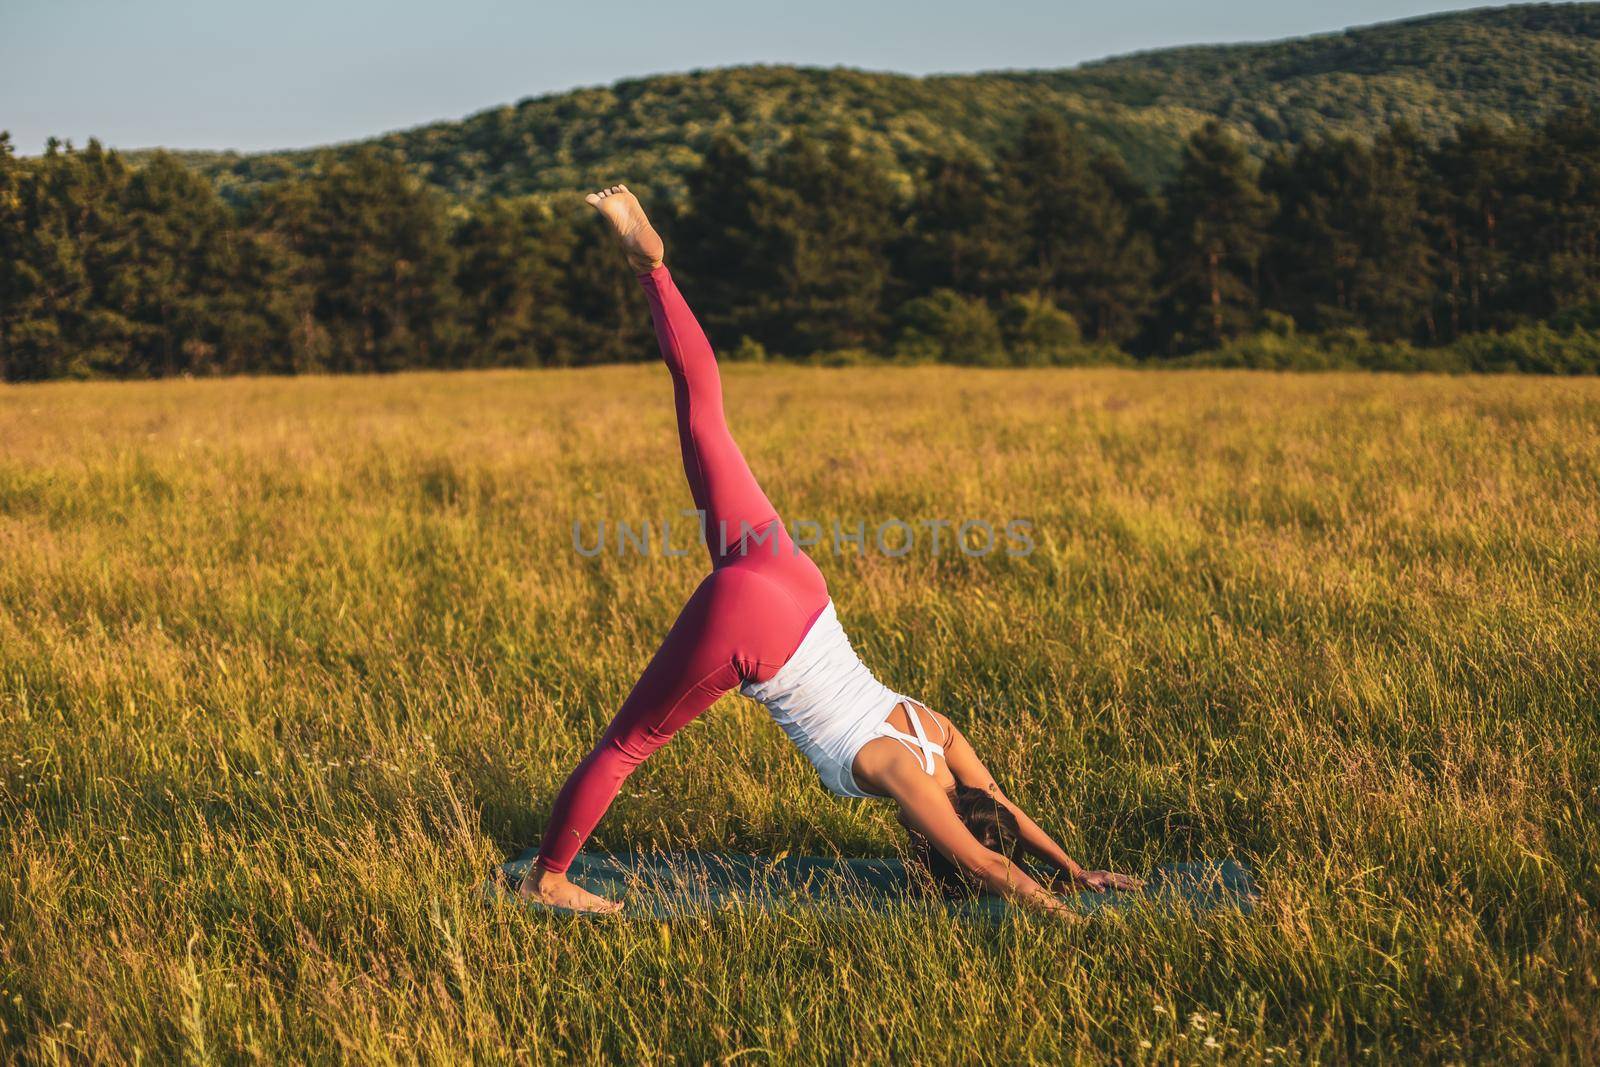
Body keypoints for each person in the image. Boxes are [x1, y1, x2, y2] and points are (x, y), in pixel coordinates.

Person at [519, 185, 1141, 915]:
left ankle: (651, 267)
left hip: (797, 583)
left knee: (706, 415)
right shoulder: (903, 777)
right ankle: (551, 878)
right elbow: (979, 852)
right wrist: (1063, 908)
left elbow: (997, 802)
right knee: (625, 747)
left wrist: (1076, 867)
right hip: (756, 627)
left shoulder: (934, 733)